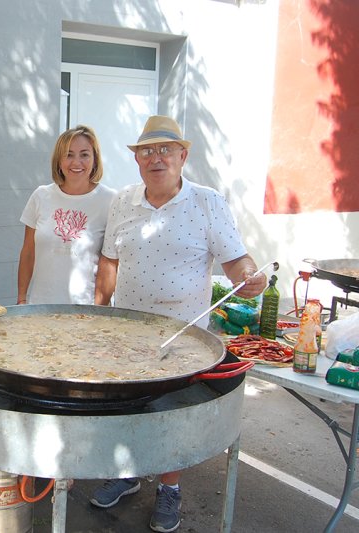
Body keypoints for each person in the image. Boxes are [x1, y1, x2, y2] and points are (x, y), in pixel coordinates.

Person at [91, 115, 267, 532]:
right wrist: (98, 313)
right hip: (127, 330)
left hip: (183, 334)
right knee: (123, 403)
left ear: (182, 156)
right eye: (147, 151)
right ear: (136, 160)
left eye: (165, 149)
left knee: (170, 413)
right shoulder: (123, 202)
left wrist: (250, 276)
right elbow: (109, 262)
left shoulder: (208, 203)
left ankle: (169, 490)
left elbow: (237, 260)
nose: (156, 158)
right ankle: (126, 473)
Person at [17, 125, 116, 305]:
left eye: (84, 154)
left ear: (95, 159)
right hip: (41, 306)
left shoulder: (110, 200)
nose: (76, 162)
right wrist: (22, 298)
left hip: (86, 311)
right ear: (58, 160)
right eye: (68, 155)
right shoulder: (40, 196)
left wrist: (100, 309)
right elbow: (28, 252)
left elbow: (111, 262)